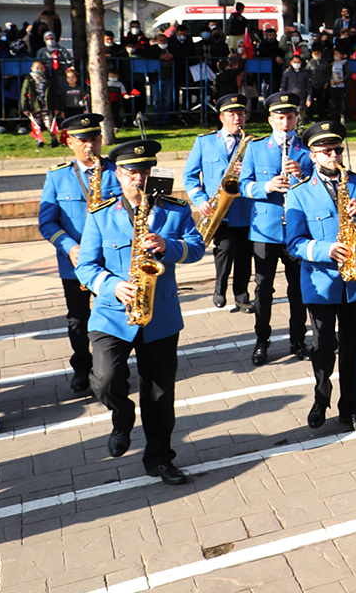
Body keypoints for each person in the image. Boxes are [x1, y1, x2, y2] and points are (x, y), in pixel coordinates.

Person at [76, 138, 204, 483]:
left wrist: (170, 245)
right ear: (118, 175)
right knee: (105, 381)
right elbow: (85, 267)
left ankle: (160, 458)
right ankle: (121, 413)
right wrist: (111, 284)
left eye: (145, 171)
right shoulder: (101, 215)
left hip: (159, 316)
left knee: (160, 394)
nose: (139, 178)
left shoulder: (174, 210)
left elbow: (196, 248)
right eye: (132, 172)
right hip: (112, 314)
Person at [285, 120, 356, 432]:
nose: (333, 155)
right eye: (326, 150)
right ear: (312, 155)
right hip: (321, 283)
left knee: (353, 348)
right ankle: (321, 397)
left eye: (337, 149)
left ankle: (352, 408)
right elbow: (293, 243)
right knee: (323, 346)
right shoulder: (299, 192)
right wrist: (325, 249)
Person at [38, 112, 120, 393]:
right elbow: (47, 221)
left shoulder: (116, 171)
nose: (90, 146)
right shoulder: (57, 176)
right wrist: (68, 246)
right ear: (69, 142)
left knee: (112, 312)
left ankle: (110, 365)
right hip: (74, 260)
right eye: (83, 140)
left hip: (111, 259)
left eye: (95, 139)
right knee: (77, 319)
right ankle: (82, 367)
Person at [239, 92, 314, 366]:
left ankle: (298, 339)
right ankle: (262, 340)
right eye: (280, 117)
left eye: (290, 117)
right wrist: (266, 187)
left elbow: (317, 188)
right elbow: (242, 184)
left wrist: (302, 176)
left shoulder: (307, 150)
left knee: (298, 289)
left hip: (296, 230)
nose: (286, 123)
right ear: (270, 119)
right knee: (263, 289)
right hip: (265, 230)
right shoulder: (256, 148)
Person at [183, 94, 255, 313]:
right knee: (224, 249)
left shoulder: (252, 143)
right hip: (217, 210)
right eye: (232, 114)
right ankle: (219, 288)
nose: (237, 118)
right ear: (222, 117)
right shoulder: (204, 142)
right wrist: (200, 199)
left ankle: (242, 297)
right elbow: (190, 176)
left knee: (244, 253)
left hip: (245, 209)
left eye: (241, 114)